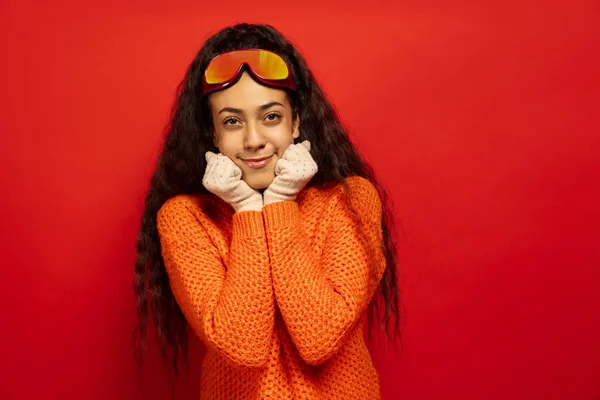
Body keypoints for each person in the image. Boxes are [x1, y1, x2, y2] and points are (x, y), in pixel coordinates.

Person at [134, 23, 402, 399]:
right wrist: (246, 208)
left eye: (271, 116)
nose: (254, 139)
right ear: (212, 134)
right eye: (232, 121)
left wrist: (278, 203)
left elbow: (319, 337)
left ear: (296, 123)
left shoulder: (352, 200)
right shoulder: (184, 218)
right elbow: (243, 347)